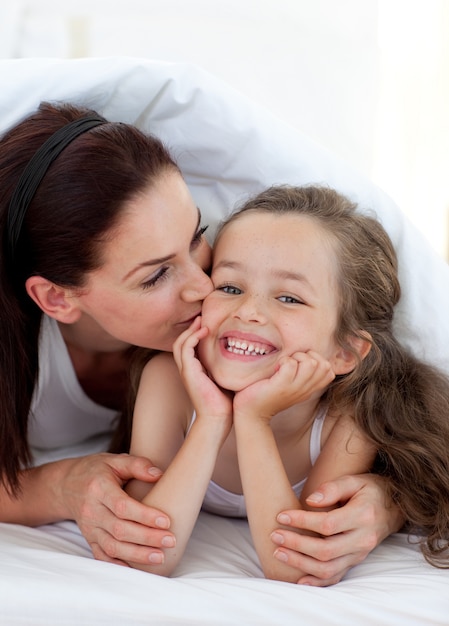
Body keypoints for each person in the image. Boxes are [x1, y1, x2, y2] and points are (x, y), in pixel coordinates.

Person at [0, 102, 400, 585]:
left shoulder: (249, 258)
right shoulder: (167, 377)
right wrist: (55, 487)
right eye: (157, 275)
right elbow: (152, 546)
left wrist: (394, 495)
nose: (206, 286)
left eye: (195, 237)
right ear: (56, 298)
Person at [126, 184, 449, 583]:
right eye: (229, 287)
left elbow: (292, 566)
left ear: (345, 352)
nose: (248, 311)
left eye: (290, 298)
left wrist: (252, 419)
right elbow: (145, 553)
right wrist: (211, 418)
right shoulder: (168, 380)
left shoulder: (348, 414)